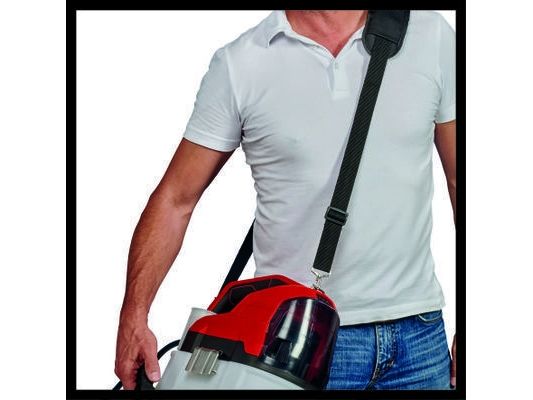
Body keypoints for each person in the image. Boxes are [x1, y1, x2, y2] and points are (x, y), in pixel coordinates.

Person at [115, 10, 456, 390]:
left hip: (420, 335)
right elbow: (175, 199)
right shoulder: (242, 63)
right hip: (297, 344)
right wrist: (133, 315)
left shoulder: (431, 35)